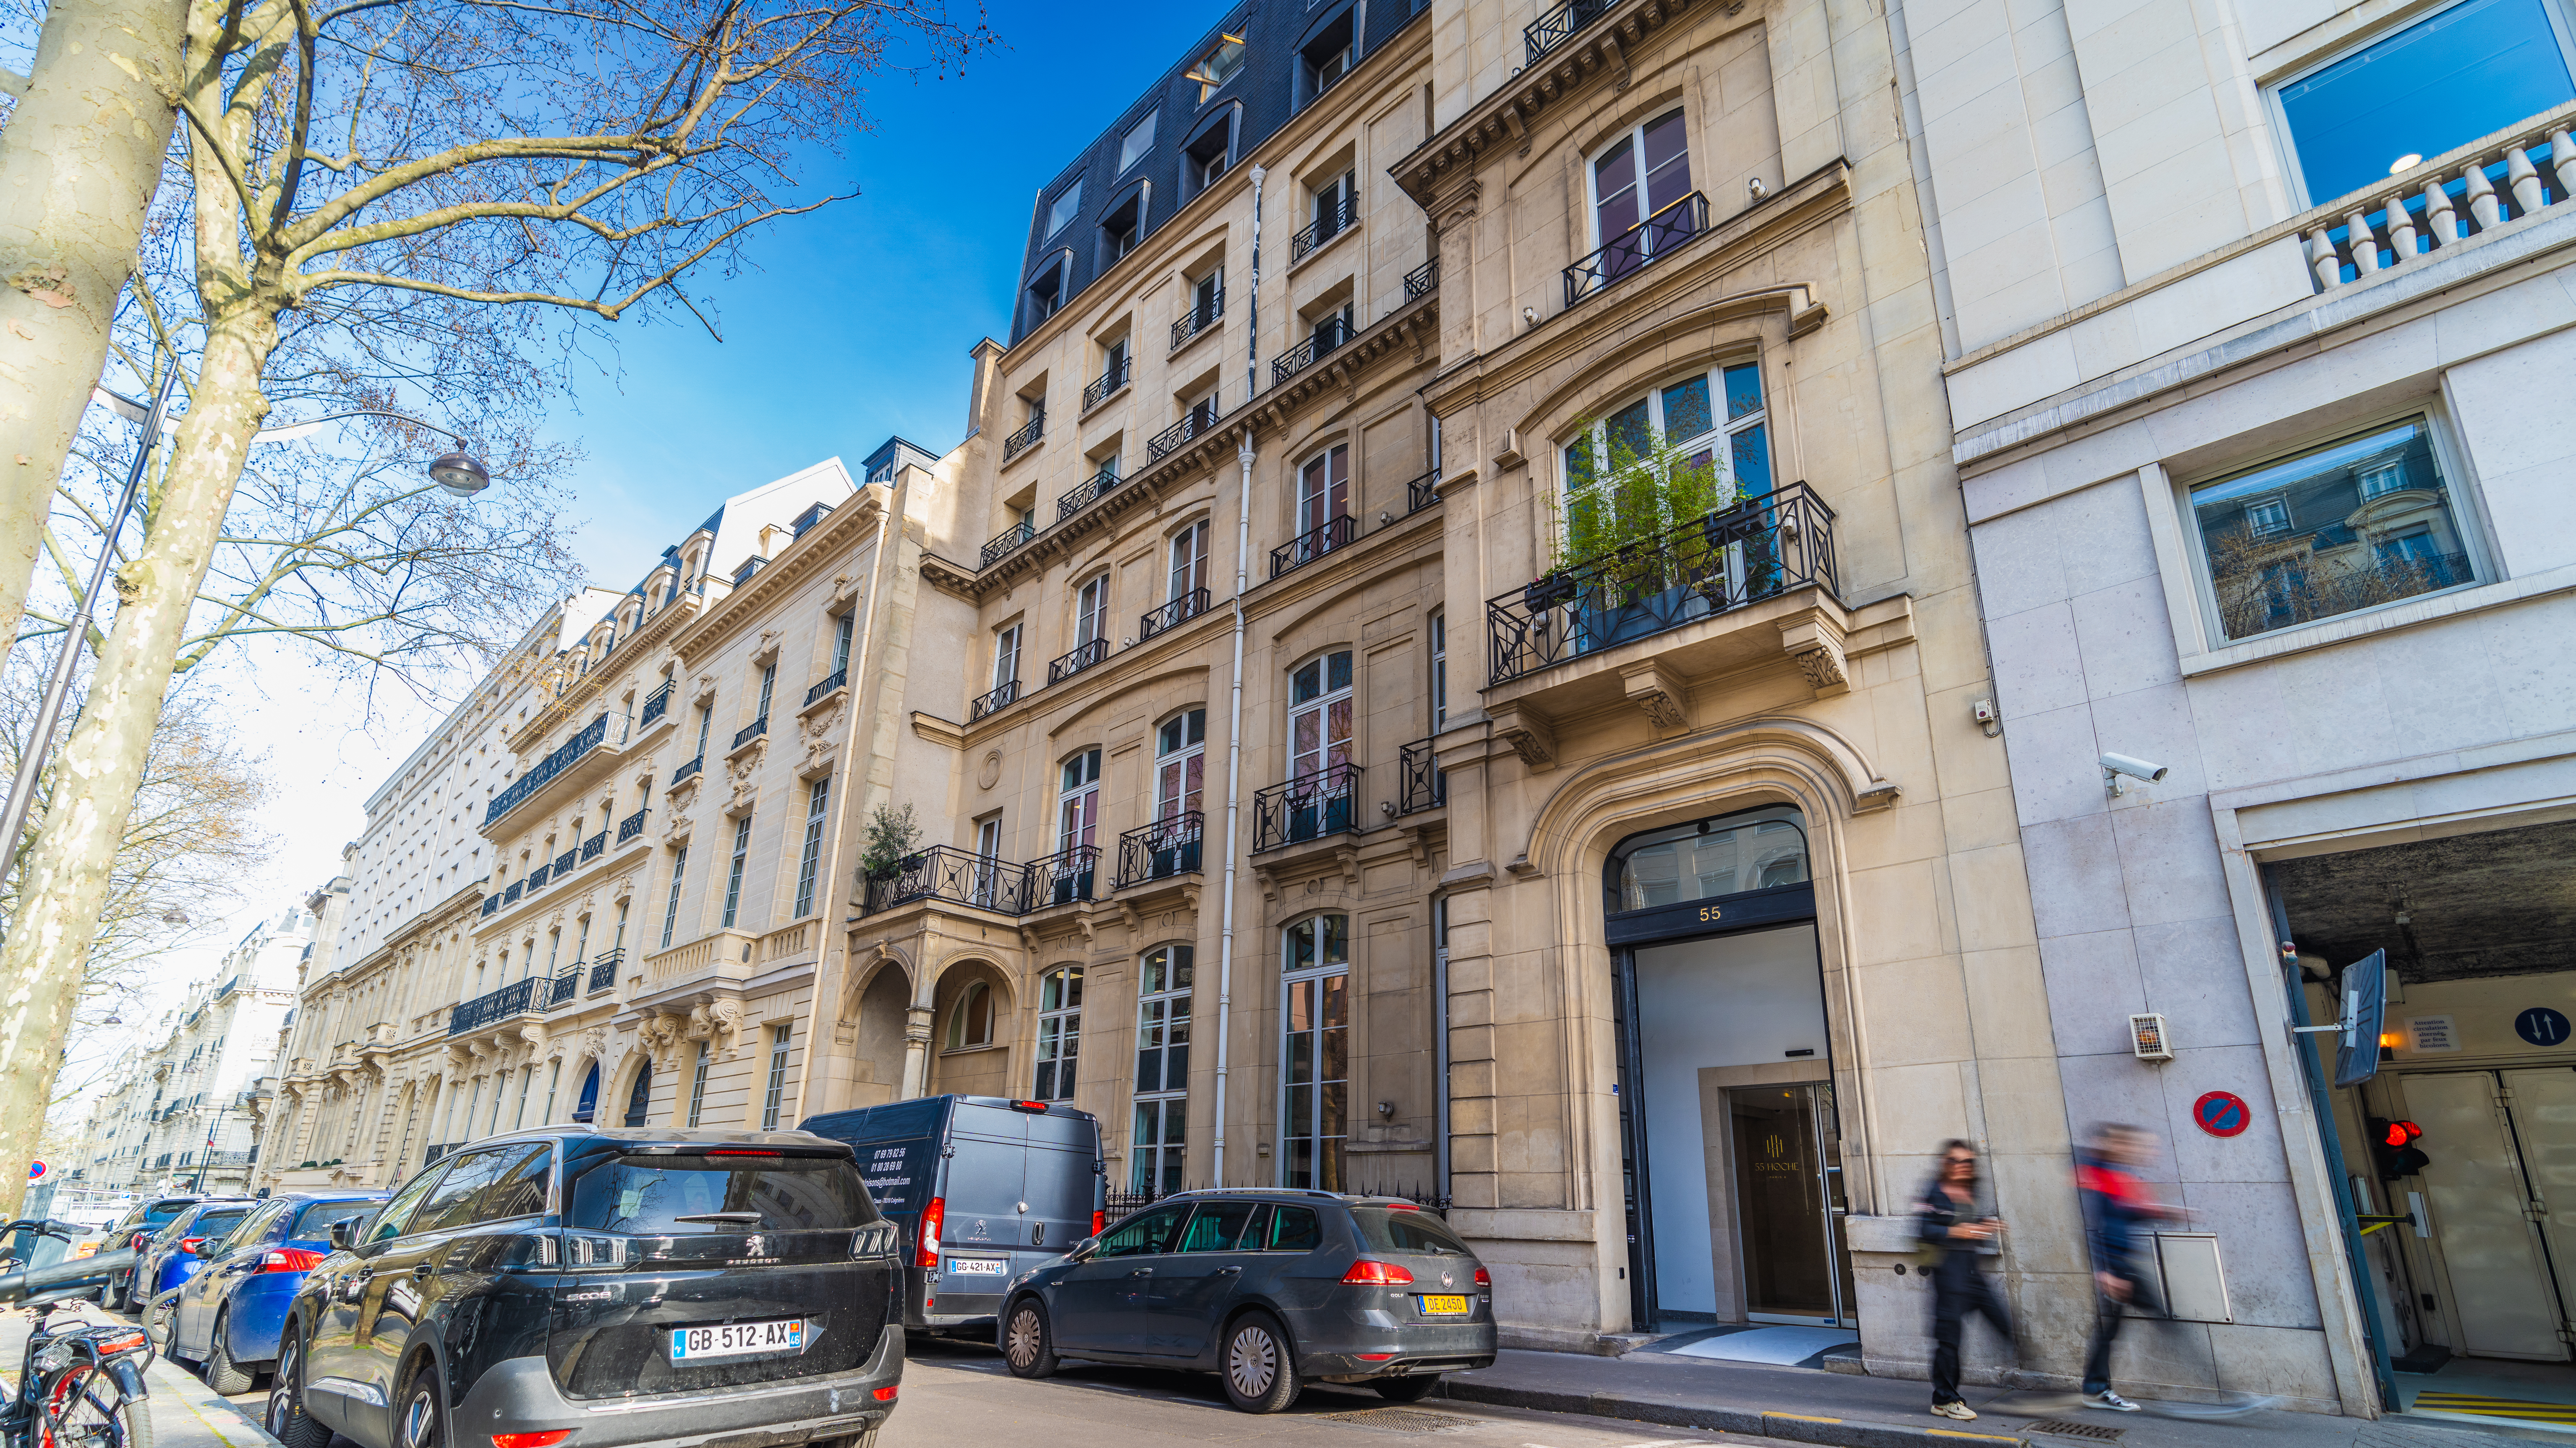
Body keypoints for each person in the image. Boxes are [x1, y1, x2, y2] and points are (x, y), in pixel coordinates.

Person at [2077, 1123, 2188, 1412]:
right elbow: (2090, 1224)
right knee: (2159, 1321)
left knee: (2116, 1327)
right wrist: (2104, 1270)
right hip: (2114, 1264)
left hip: (2121, 1262)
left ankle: (2095, 1388)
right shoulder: (2092, 1174)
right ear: (2109, 1143)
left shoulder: (2110, 1174)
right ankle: (2096, 1388)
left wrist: (2160, 1212)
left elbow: (2119, 1215)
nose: (2136, 1151)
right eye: (2128, 1144)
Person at [1915, 1138, 2013, 1421]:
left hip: (1972, 1274)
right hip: (1949, 1276)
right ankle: (1945, 1399)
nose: (1961, 1167)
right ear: (1945, 1164)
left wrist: (1985, 1224)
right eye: (1954, 1161)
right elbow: (1924, 1230)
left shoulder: (1969, 1190)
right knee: (1950, 1340)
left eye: (1967, 1162)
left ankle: (2031, 1382)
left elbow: (1971, 1222)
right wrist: (1959, 1232)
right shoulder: (1934, 1190)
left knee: (2004, 1322)